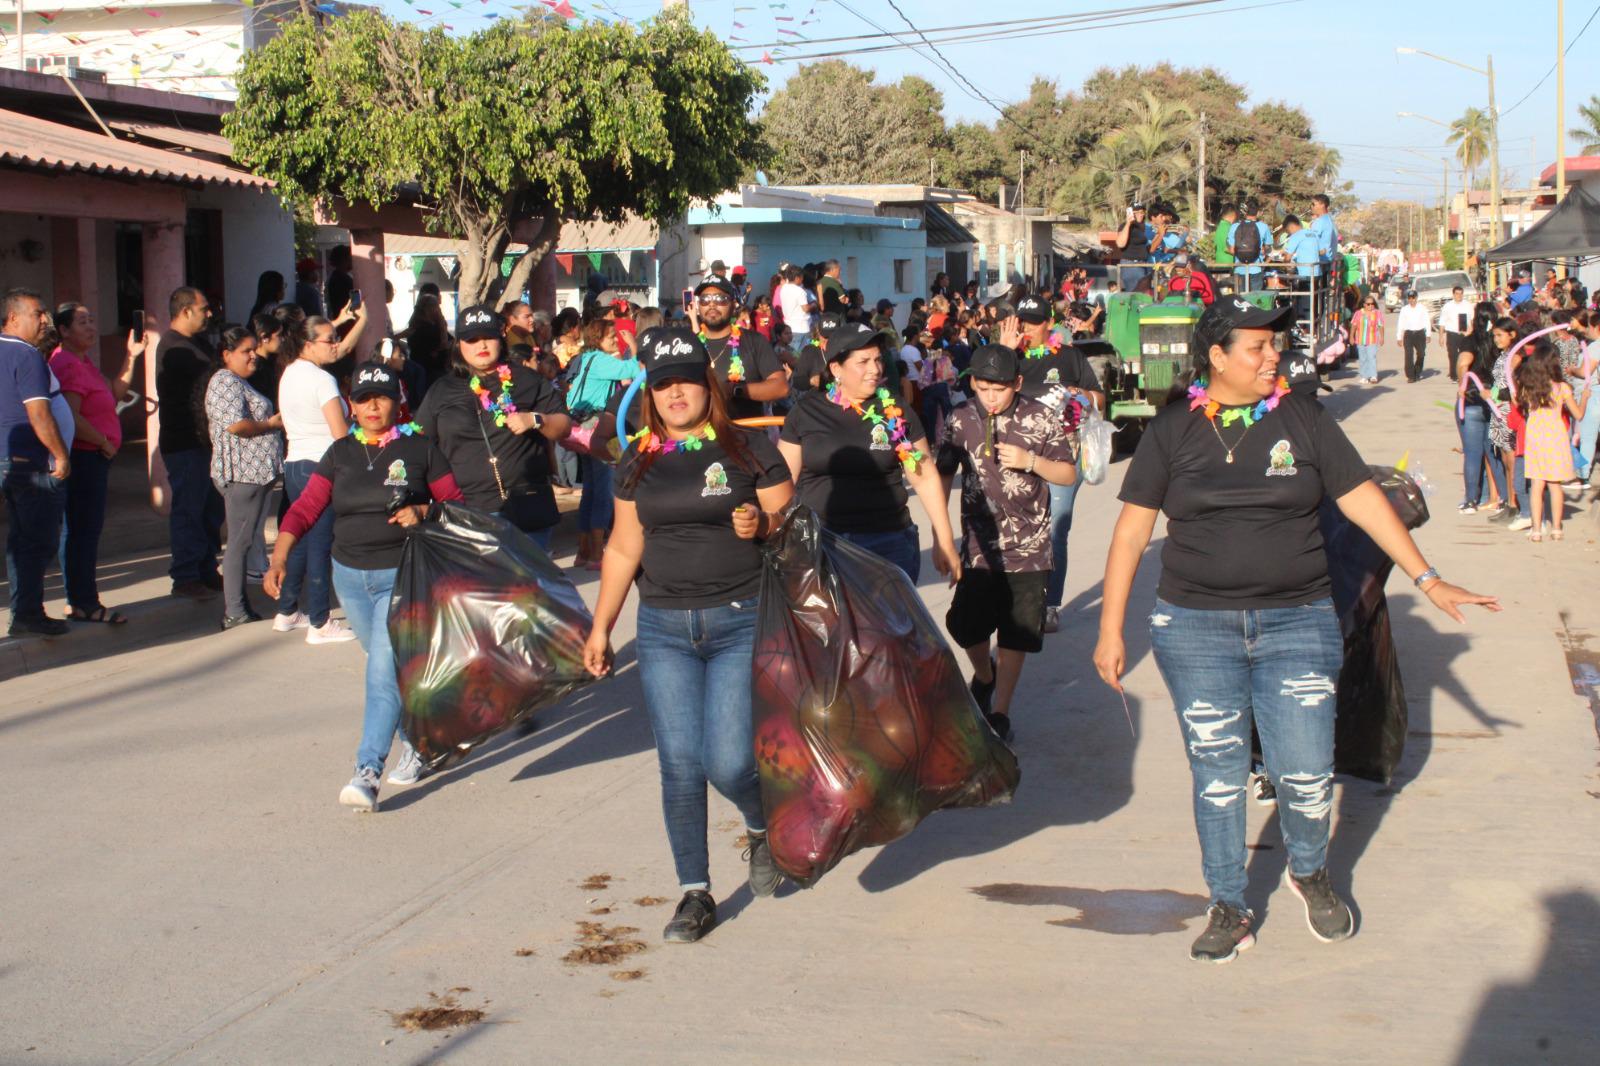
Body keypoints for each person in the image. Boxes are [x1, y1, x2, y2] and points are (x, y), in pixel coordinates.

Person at [1093, 298, 1499, 964]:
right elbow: (1132, 532)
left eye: (1275, 346)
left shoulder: (1302, 419)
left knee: (1307, 774)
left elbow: (1364, 499)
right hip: (1195, 629)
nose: (1272, 356)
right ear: (1216, 357)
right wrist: (1111, 630)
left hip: (1298, 623)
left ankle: (1309, 871)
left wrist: (1429, 578)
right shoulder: (1171, 431)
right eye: (1256, 347)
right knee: (1218, 777)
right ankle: (1227, 901)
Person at [583, 329, 793, 943]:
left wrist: (762, 522)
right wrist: (601, 628)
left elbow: (795, 524)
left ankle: (759, 826)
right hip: (663, 629)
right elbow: (625, 546)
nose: (676, 393)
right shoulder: (638, 459)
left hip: (740, 618)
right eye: (663, 383)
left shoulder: (750, 450)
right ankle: (694, 893)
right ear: (650, 392)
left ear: (709, 385)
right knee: (679, 765)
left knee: (728, 762)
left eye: (687, 381)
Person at [264, 362, 463, 812]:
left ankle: (366, 772)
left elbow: (455, 506)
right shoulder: (340, 453)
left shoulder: (420, 449)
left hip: (402, 575)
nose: (372, 405)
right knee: (388, 671)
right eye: (363, 398)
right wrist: (279, 558)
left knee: (379, 677)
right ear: (351, 404)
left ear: (398, 401)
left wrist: (424, 512)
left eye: (382, 396)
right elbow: (304, 509)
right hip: (348, 578)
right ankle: (422, 742)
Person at [936, 344, 1077, 742]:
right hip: (980, 547)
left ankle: (1000, 711)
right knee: (966, 626)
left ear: (1017, 383)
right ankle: (984, 674)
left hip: (1030, 548)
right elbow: (942, 473)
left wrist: (1030, 461)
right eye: (983, 388)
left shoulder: (1041, 417)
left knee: (1016, 634)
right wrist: (939, 534)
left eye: (999, 389)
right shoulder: (961, 418)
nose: (991, 397)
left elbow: (1066, 474)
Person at [778, 321, 960, 583]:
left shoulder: (895, 409)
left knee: (890, 625)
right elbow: (784, 482)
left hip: (890, 543)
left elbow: (924, 476)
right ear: (836, 368)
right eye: (863, 361)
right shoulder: (805, 412)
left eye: (878, 359)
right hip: (824, 544)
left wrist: (944, 539)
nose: (875, 369)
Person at [417, 305, 572, 551]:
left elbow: (563, 426)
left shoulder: (526, 379)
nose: (482, 345)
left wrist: (534, 419)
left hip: (526, 507)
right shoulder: (442, 390)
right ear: (459, 345)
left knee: (526, 589)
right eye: (472, 339)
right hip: (468, 512)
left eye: (488, 337)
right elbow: (421, 445)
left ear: (500, 338)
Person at [1000, 295, 1104, 635]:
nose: (1026, 328)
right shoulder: (1008, 357)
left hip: (1061, 454)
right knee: (1015, 529)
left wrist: (1078, 395)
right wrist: (1004, 350)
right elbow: (982, 392)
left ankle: (1049, 605)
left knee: (1055, 529)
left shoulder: (1070, 356)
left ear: (1048, 324)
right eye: (1022, 322)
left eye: (1032, 322)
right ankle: (1016, 598)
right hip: (1014, 456)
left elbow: (1099, 399)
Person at [49, 302, 140, 625]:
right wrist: (102, 441)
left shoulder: (83, 362)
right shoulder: (67, 365)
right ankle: (83, 602)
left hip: (95, 455)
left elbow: (114, 393)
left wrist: (131, 356)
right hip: (85, 455)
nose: (90, 327)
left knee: (84, 529)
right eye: (82, 322)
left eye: (92, 321)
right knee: (81, 531)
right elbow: (69, 417)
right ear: (63, 331)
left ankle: (81, 599)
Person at [273, 314, 357, 644]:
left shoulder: (290, 373)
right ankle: (320, 622)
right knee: (320, 545)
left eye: (336, 337)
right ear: (308, 344)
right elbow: (340, 433)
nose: (335, 345)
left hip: (295, 464)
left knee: (302, 539)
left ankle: (288, 610)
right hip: (320, 466)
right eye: (329, 339)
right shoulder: (321, 380)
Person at [2, 289, 73, 637]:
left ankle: (24, 611)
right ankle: (27, 614)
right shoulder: (28, 355)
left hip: (8, 461)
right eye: (37, 313)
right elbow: (39, 413)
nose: (44, 320)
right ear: (13, 318)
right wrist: (59, 454)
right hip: (31, 462)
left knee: (20, 539)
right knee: (39, 540)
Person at [205, 326, 284, 629]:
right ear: (226, 355)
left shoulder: (237, 381)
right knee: (238, 543)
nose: (253, 356)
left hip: (254, 475)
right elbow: (236, 426)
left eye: (254, 349)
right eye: (245, 351)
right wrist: (270, 424)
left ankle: (240, 606)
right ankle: (234, 610)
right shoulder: (224, 381)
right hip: (242, 474)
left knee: (244, 541)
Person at [157, 287, 225, 598]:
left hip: (204, 442)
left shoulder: (195, 344)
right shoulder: (174, 348)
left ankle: (205, 568)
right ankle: (185, 575)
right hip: (185, 443)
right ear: (185, 311)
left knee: (210, 509)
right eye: (204, 308)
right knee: (189, 509)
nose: (209, 314)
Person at [565, 316, 640, 568]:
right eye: (611, 337)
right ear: (599, 339)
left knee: (590, 489)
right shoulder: (602, 360)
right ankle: (597, 553)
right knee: (604, 489)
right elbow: (636, 369)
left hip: (580, 425)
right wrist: (633, 345)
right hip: (595, 426)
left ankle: (584, 550)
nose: (616, 341)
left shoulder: (585, 358)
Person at [1516, 342, 1589, 541]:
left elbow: (1518, 404)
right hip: (1555, 436)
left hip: (1536, 437)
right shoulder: (1562, 388)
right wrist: (1584, 397)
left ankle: (1537, 530)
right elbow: (1578, 415)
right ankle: (1557, 528)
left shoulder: (1528, 386)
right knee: (1554, 484)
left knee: (1537, 485)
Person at [691, 275, 788, 422]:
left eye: (720, 299)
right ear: (698, 306)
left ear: (733, 304)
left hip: (746, 436)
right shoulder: (689, 344)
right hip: (701, 439)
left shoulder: (754, 341)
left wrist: (735, 390)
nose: (711, 304)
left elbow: (781, 387)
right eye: (705, 299)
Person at [1228, 202, 1272, 293]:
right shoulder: (1263, 227)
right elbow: (1268, 247)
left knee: (1240, 300)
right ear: (1258, 212)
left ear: (1245, 212)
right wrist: (1264, 249)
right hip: (1256, 268)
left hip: (1239, 268)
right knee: (1255, 300)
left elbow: (1232, 250)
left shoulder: (1234, 227)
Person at [1438, 286, 1475, 383]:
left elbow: (1472, 320)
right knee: (1453, 355)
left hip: (1465, 334)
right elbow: (1442, 321)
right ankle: (1454, 376)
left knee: (1465, 354)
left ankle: (1465, 374)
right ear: (1453, 294)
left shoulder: (1467, 305)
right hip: (1452, 333)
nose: (1459, 296)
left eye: (1461, 293)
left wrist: (1472, 332)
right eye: (1457, 294)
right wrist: (1441, 336)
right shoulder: (1448, 306)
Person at [1116, 201, 1154, 292]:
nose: (1141, 214)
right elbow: (1120, 244)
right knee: (1136, 294)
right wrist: (1128, 224)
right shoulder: (1125, 226)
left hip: (1142, 264)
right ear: (1131, 213)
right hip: (1131, 264)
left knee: (1142, 294)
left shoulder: (1141, 228)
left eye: (1142, 212)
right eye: (1137, 213)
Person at [1397, 289, 1431, 383]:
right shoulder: (1404, 309)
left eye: (1413, 298)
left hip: (1420, 333)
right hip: (1408, 334)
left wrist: (1428, 334)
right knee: (1408, 355)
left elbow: (1427, 321)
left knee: (1421, 353)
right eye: (1410, 298)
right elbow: (1401, 323)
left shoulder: (1422, 308)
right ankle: (1410, 376)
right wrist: (1399, 337)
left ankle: (1417, 371)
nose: (1412, 300)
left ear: (1416, 298)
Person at [1349, 294, 1384, 384]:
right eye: (1368, 304)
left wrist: (1382, 337)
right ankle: (1364, 376)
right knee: (1363, 358)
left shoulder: (1377, 313)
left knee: (1371, 357)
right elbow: (1354, 325)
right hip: (1360, 339)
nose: (1370, 306)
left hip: (1372, 339)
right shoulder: (1358, 313)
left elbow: (1380, 326)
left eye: (1372, 304)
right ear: (1364, 304)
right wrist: (1351, 336)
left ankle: (1373, 376)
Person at [777, 265, 816, 340]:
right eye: (802, 277)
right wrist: (814, 305)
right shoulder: (799, 291)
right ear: (797, 278)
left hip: (788, 327)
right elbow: (806, 309)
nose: (802, 279)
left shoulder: (784, 288)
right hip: (801, 328)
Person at [324, 246, 354, 322]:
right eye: (350, 257)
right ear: (344, 259)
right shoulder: (343, 279)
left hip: (339, 320)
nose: (352, 260)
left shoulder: (333, 277)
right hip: (347, 322)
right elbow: (354, 302)